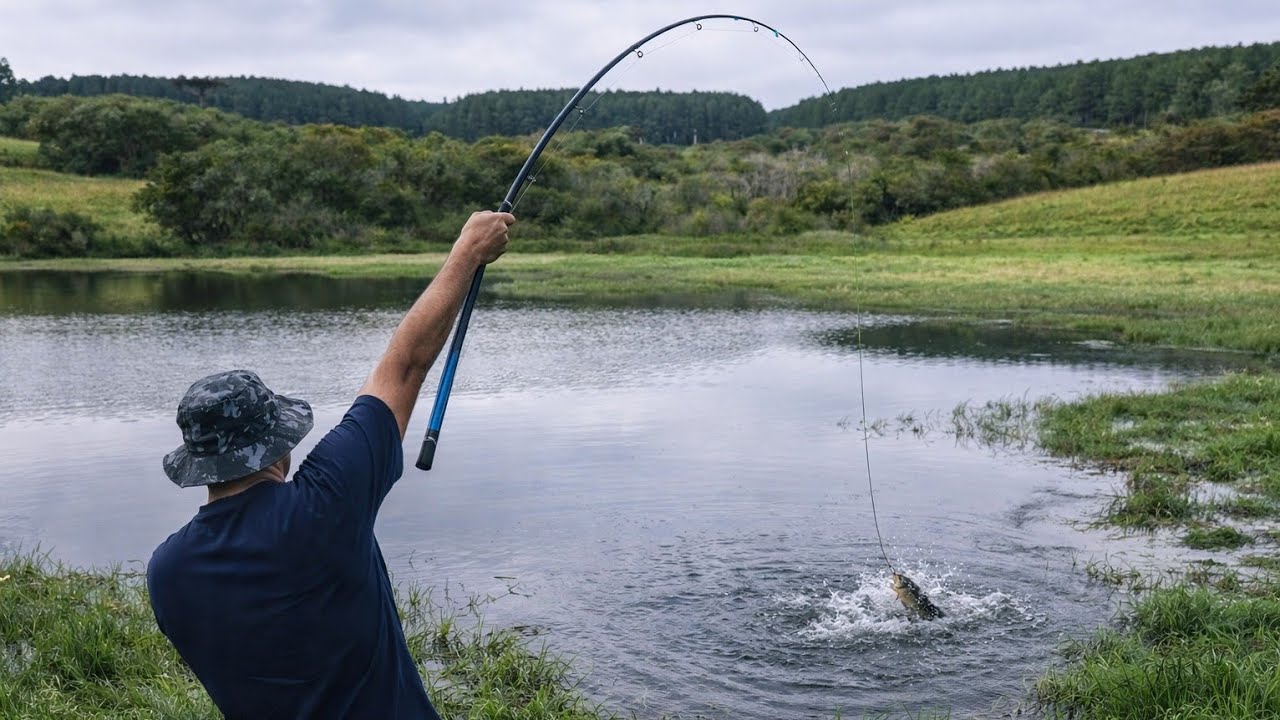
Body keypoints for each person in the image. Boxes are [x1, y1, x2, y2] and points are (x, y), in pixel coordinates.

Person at [146, 210, 515, 719]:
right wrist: (467, 253)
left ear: (199, 463)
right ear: (279, 444)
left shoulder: (167, 573)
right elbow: (404, 365)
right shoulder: (326, 502)